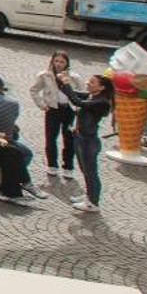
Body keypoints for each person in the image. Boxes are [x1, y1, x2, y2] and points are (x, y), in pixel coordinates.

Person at [0, 74, 40, 203]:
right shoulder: (13, 103)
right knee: (25, 154)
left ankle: (15, 184)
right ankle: (19, 182)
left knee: (14, 154)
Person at [28, 50, 78, 184]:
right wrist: (42, 105)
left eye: (62, 61)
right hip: (52, 109)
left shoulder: (73, 77)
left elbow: (81, 92)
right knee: (51, 138)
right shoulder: (45, 76)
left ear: (67, 63)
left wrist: (78, 107)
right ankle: (52, 165)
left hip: (68, 110)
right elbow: (34, 90)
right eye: (56, 61)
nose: (59, 64)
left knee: (69, 139)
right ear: (52, 61)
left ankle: (68, 166)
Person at [69, 72, 114, 213]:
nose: (88, 83)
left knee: (90, 172)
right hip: (81, 137)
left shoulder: (101, 102)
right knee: (85, 170)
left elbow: (77, 101)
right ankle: (89, 196)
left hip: (88, 141)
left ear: (101, 88)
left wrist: (65, 84)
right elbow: (75, 94)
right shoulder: (93, 96)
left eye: (92, 82)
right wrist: (61, 82)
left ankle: (93, 202)